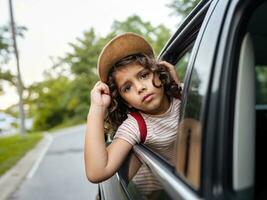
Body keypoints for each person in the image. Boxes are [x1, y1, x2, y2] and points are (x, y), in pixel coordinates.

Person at [84, 32, 182, 198]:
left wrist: (178, 88)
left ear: (158, 72)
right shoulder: (136, 125)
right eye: (127, 88)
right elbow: (96, 172)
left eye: (144, 75)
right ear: (126, 101)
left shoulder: (186, 95)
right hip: (157, 193)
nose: (140, 88)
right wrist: (97, 108)